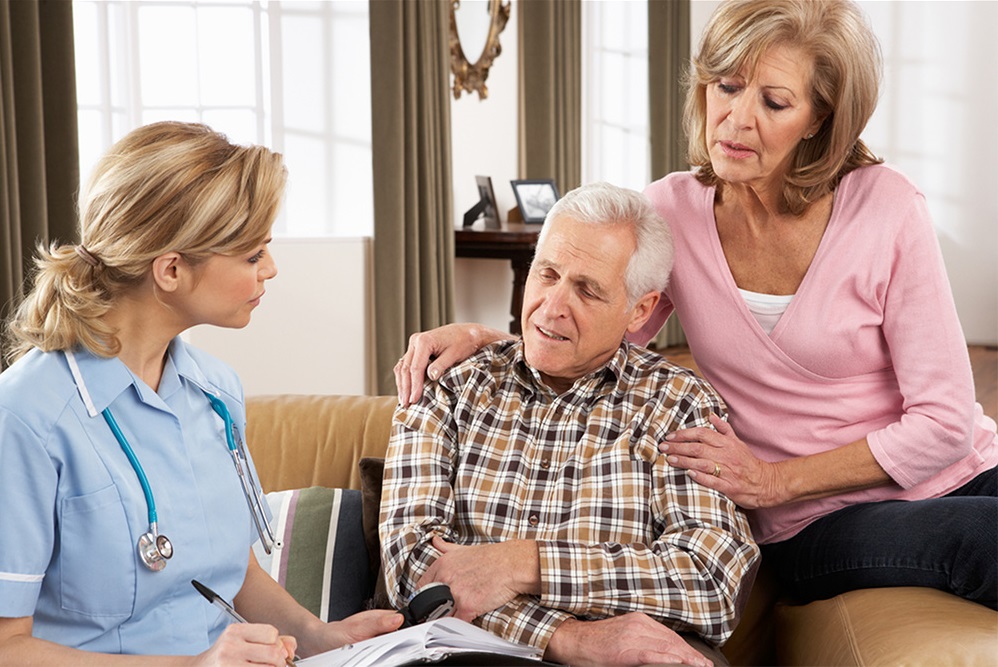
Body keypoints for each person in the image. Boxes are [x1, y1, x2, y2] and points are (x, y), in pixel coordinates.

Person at [395, 0, 998, 611]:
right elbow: (605, 336)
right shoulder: (671, 213)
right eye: (727, 87)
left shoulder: (888, 207)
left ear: (819, 119)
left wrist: (771, 478)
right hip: (813, 522)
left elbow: (946, 423)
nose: (737, 120)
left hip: (962, 471)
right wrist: (486, 336)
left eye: (774, 101)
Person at [0, 121, 402, 665]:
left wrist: (318, 637)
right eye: (253, 255)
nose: (272, 268)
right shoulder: (27, 416)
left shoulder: (216, 392)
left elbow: (231, 572)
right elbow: (8, 646)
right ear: (171, 270)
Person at [381, 182, 760, 667]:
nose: (552, 306)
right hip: (463, 656)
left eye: (587, 290)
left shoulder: (677, 404)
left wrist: (525, 565)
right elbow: (411, 570)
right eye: (548, 274)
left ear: (639, 309)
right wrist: (565, 638)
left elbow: (711, 580)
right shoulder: (449, 383)